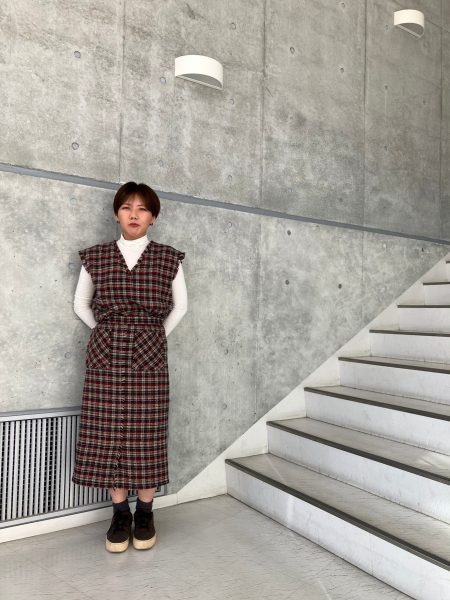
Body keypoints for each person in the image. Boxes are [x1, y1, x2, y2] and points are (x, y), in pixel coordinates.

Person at [72, 181, 187, 553]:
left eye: (142, 209)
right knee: (106, 430)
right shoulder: (96, 256)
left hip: (149, 354)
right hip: (105, 354)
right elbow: (81, 304)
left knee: (146, 432)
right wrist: (106, 332)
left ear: (153, 217)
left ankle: (146, 512)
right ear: (116, 214)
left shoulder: (168, 258)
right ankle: (120, 513)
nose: (134, 214)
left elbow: (181, 306)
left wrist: (154, 336)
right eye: (126, 207)